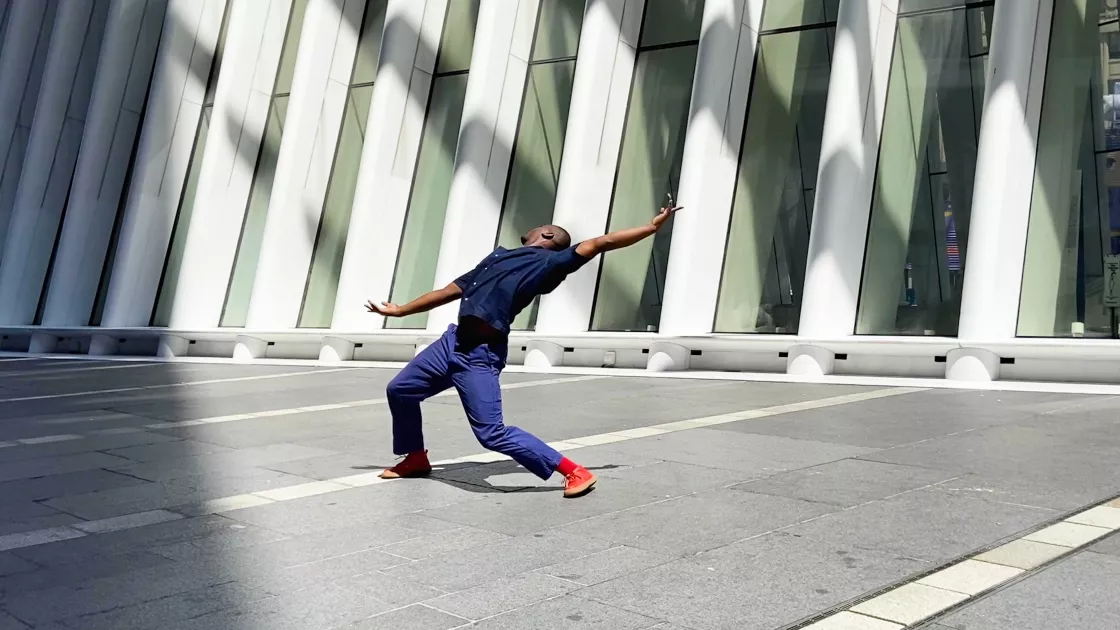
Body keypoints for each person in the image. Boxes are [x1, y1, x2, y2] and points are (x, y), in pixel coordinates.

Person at [367, 201, 681, 498]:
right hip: (452, 342)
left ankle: (575, 472)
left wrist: (650, 229)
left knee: (491, 433)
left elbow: (600, 243)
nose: (527, 229)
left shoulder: (549, 263)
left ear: (547, 235)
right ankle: (416, 457)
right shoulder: (497, 258)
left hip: (480, 354)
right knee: (401, 389)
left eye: (536, 227)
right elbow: (450, 291)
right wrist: (400, 311)